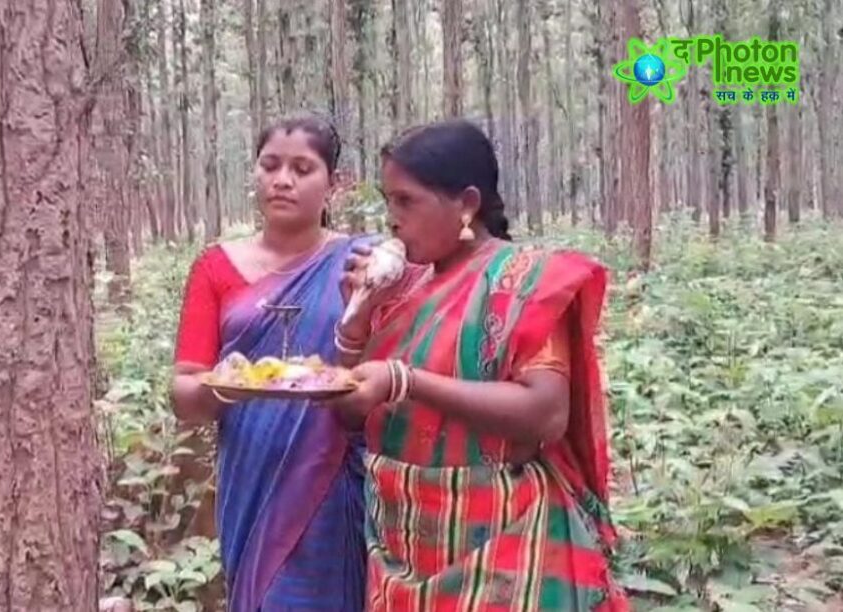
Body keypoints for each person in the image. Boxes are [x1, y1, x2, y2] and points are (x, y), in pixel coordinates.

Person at [330, 119, 629, 611]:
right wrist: (357, 314)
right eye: (388, 202)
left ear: (467, 204)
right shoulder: (402, 291)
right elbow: (352, 412)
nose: (392, 219)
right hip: (401, 547)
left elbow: (545, 413)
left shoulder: (522, 283)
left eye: (406, 201)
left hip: (503, 548)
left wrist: (405, 379)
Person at [170, 113, 368, 611]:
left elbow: (382, 375)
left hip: (332, 478)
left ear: (334, 184)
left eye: (303, 169)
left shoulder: (360, 262)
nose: (283, 180)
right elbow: (185, 396)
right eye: (270, 165)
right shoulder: (216, 267)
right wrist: (224, 388)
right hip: (250, 477)